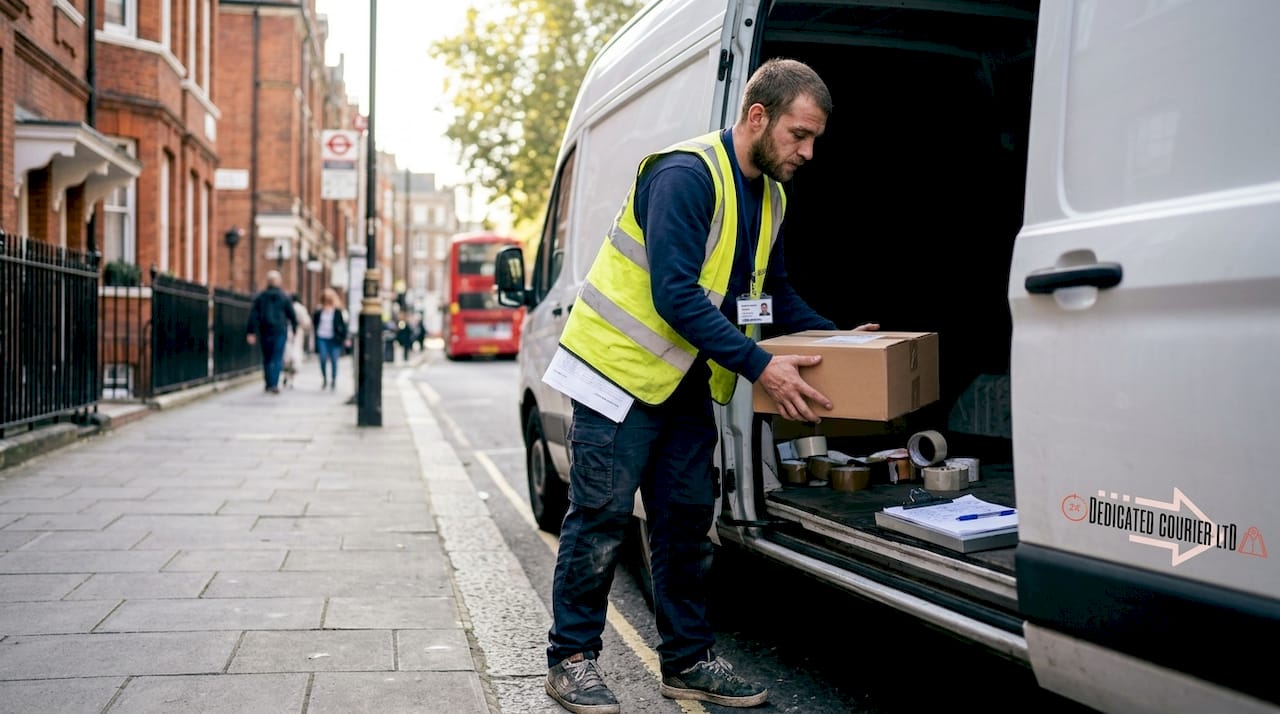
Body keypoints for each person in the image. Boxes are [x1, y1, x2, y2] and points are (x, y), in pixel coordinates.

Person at [543, 58, 878, 714]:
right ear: (758, 116)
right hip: (615, 372)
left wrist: (841, 341)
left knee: (686, 522)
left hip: (684, 382)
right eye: (798, 134)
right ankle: (571, 658)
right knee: (603, 517)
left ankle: (687, 661)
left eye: (813, 139)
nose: (807, 152)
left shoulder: (773, 196)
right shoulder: (685, 175)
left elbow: (769, 295)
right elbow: (675, 297)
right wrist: (761, 368)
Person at [245, 270, 298, 394]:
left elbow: (253, 315)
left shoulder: (260, 297)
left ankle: (268, 383)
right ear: (279, 282)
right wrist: (294, 328)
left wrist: (251, 331)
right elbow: (292, 315)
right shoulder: (285, 296)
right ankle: (274, 383)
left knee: (267, 357)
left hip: (265, 330)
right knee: (277, 357)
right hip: (280, 330)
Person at [312, 287, 348, 390]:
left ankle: (333, 379)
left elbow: (342, 325)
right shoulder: (319, 311)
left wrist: (344, 338)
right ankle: (324, 378)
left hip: (334, 339)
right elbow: (315, 322)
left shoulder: (337, 311)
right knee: (323, 358)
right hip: (322, 337)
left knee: (334, 360)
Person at [281, 293, 312, 389]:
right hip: (297, 334)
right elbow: (307, 322)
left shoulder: (285, 306)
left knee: (286, 356)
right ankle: (292, 380)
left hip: (285, 332)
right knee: (295, 356)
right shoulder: (300, 308)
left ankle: (286, 375)